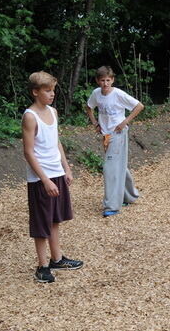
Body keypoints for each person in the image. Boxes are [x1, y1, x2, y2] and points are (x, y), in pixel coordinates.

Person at [22, 71, 83, 283]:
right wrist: (45, 180)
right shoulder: (30, 116)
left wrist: (66, 168)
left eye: (53, 90)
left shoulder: (53, 112)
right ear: (35, 92)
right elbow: (28, 152)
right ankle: (42, 265)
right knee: (42, 223)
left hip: (57, 172)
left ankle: (57, 258)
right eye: (47, 90)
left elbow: (56, 142)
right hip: (41, 178)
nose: (52, 94)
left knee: (55, 219)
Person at [85, 66, 145, 217]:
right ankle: (128, 196)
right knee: (119, 165)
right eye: (102, 80)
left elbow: (139, 106)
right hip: (106, 135)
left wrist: (125, 122)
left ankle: (111, 205)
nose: (105, 83)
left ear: (112, 80)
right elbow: (89, 107)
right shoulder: (96, 94)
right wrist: (95, 124)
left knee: (109, 168)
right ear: (98, 81)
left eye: (108, 80)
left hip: (118, 133)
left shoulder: (118, 94)